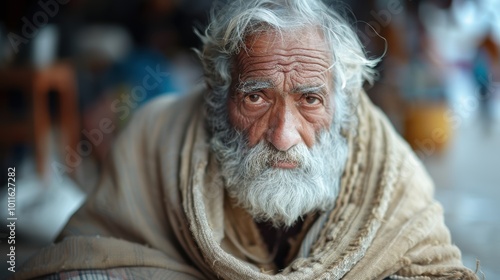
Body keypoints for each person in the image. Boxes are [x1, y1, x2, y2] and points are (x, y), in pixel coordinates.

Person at [16, 0, 477, 279]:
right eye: (255, 97)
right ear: (219, 96)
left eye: (310, 99)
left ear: (344, 106)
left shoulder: (392, 174)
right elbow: (78, 261)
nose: (283, 135)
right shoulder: (153, 139)